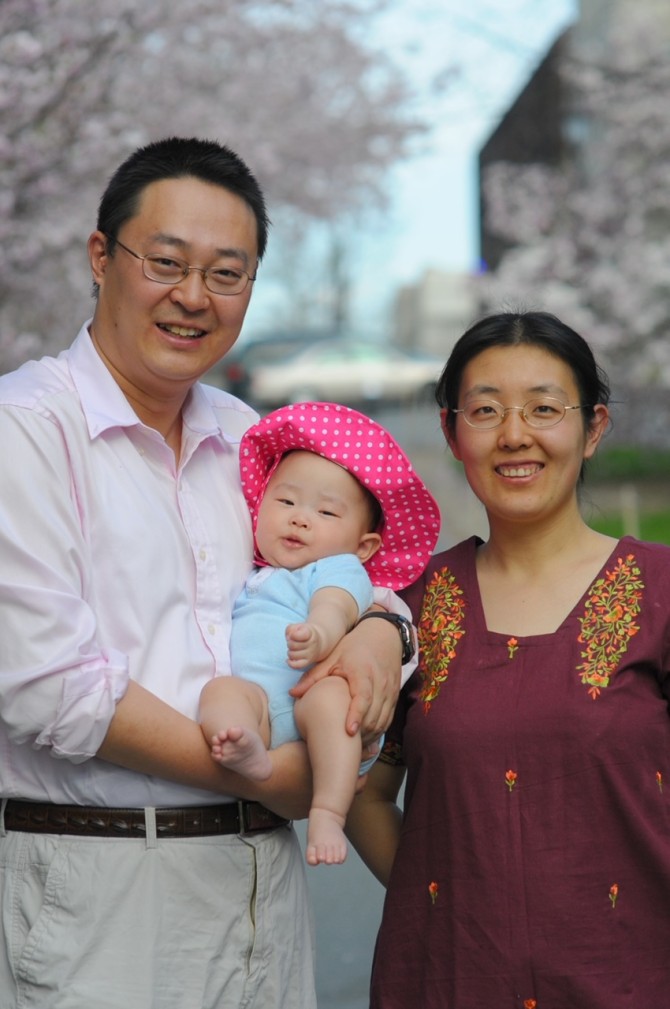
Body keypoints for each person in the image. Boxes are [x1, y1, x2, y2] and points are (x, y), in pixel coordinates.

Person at [0, 136, 414, 1009]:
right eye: (166, 262)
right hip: (104, 879)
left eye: (228, 274)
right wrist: (276, 776)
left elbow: (335, 562)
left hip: (262, 877)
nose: (193, 297)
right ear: (101, 257)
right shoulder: (26, 429)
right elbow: (48, 686)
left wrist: (382, 629)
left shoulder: (249, 440)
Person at [347, 311, 670, 1009]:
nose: (515, 434)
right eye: (486, 410)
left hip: (634, 979)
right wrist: (447, 901)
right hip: (449, 982)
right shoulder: (412, 606)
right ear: (451, 431)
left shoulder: (661, 592)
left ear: (594, 427)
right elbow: (364, 789)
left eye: (544, 409)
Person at [199, 401, 441, 866]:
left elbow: (335, 606)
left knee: (331, 700)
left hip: (315, 708)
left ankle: (329, 811)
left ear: (364, 545)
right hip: (262, 704)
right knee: (222, 692)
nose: (300, 518)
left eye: (326, 513)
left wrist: (320, 632)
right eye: (285, 502)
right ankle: (247, 746)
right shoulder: (253, 575)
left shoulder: (339, 568)